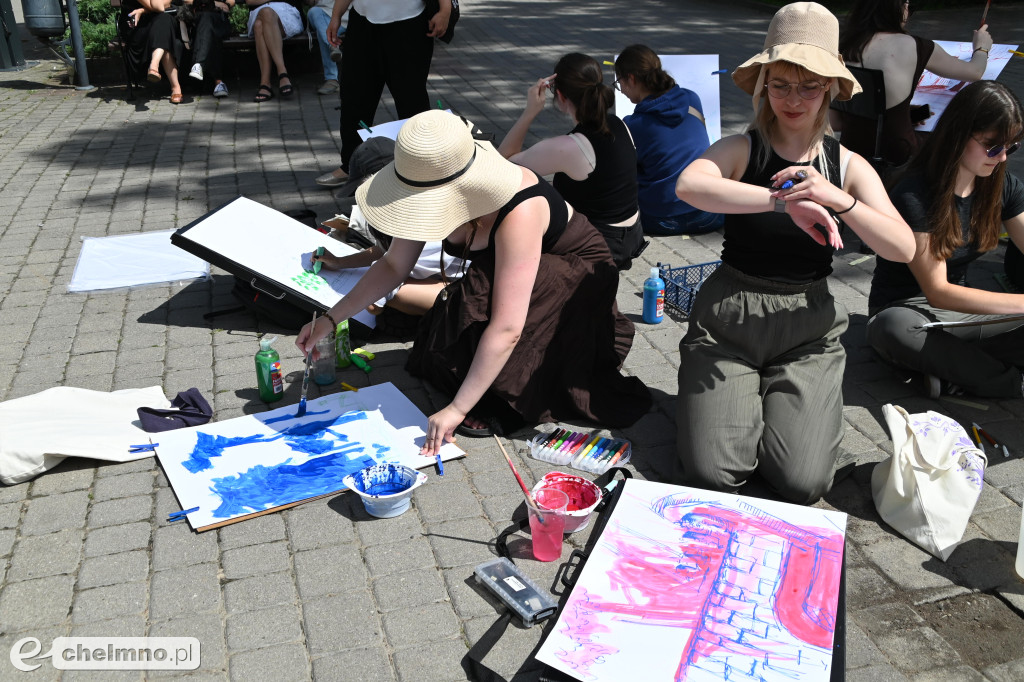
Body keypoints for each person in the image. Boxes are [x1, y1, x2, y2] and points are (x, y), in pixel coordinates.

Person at [673, 2, 916, 504]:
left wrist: (836, 198)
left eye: (810, 84)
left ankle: (771, 408)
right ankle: (739, 407)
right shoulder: (745, 148)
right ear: (764, 83)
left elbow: (903, 245)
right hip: (728, 323)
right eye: (781, 83)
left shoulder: (846, 163)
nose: (794, 98)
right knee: (714, 475)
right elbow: (688, 186)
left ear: (830, 87)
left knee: (804, 482)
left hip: (807, 329)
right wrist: (783, 202)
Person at [297, 110, 651, 453]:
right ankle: (486, 385)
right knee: (445, 349)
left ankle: (520, 392)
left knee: (494, 346)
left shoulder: (520, 208)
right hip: (513, 266)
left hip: (575, 280)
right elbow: (393, 266)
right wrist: (330, 319)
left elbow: (509, 327)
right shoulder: (428, 177)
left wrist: (457, 409)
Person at [866, 81, 1024, 399]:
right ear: (958, 135)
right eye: (993, 146)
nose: (1003, 156)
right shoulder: (915, 193)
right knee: (894, 331)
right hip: (908, 310)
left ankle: (956, 373)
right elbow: (937, 292)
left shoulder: (1002, 185)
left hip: (963, 315)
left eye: (1012, 146)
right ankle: (1008, 382)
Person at [498, 53, 646, 270]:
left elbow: (504, 165)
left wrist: (530, 112)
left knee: (522, 204)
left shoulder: (570, 147)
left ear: (560, 95)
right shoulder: (620, 124)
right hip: (632, 234)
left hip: (599, 246)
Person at [837, 0, 993, 168]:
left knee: (923, 116)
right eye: (907, 4)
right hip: (898, 151)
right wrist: (981, 48)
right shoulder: (915, 45)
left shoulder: (843, 46)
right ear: (895, 7)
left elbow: (836, 122)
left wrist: (902, 114)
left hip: (850, 151)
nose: (908, 10)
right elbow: (974, 72)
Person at [314, 0, 453, 188]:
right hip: (362, 24)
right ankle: (351, 166)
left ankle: (423, 169)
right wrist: (336, 16)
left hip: (408, 25)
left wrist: (445, 10)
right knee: (354, 99)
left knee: (411, 101)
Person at [614, 44, 722, 236]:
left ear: (631, 79)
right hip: (709, 214)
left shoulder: (633, 124)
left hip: (662, 220)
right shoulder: (692, 99)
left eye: (619, 82)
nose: (621, 90)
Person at [123, 0, 185, 103]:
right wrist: (145, 10)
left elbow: (165, 6)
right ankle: (175, 87)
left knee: (164, 22)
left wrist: (143, 10)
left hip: (161, 21)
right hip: (137, 26)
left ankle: (153, 66)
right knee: (163, 31)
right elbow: (159, 6)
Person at [245, 0, 303, 102]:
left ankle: (265, 83)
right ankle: (282, 74)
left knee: (261, 22)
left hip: (286, 11)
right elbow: (250, 1)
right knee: (262, 19)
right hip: (258, 13)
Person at [185, 0, 233, 98]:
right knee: (209, 31)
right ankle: (218, 82)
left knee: (208, 25)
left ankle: (198, 64)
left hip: (219, 20)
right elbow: (186, 1)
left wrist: (215, 4)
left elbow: (230, 3)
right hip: (197, 22)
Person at [306, 0, 348, 95]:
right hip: (322, 14)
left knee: (323, 30)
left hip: (346, 14)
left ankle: (332, 79)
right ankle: (332, 46)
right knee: (314, 12)